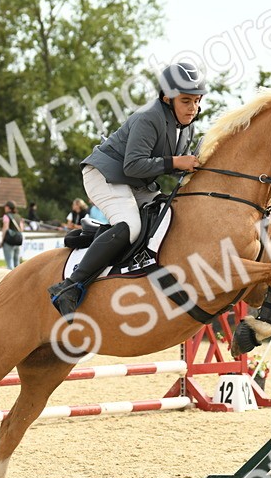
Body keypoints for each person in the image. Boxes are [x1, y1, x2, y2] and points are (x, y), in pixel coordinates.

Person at [48, 61, 206, 317]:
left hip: (136, 182)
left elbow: (171, 165)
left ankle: (100, 235)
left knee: (170, 216)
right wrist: (176, 163)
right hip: (105, 174)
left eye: (197, 101)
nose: (193, 108)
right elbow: (133, 165)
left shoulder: (187, 127)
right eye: (186, 101)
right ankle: (69, 286)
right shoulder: (149, 117)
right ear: (167, 98)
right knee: (131, 226)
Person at [1, 200, 24, 270]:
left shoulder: (6, 216)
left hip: (9, 241)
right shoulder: (19, 216)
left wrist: (2, 240)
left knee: (9, 263)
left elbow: (5, 228)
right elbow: (21, 229)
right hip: (17, 241)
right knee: (17, 263)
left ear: (8, 208)